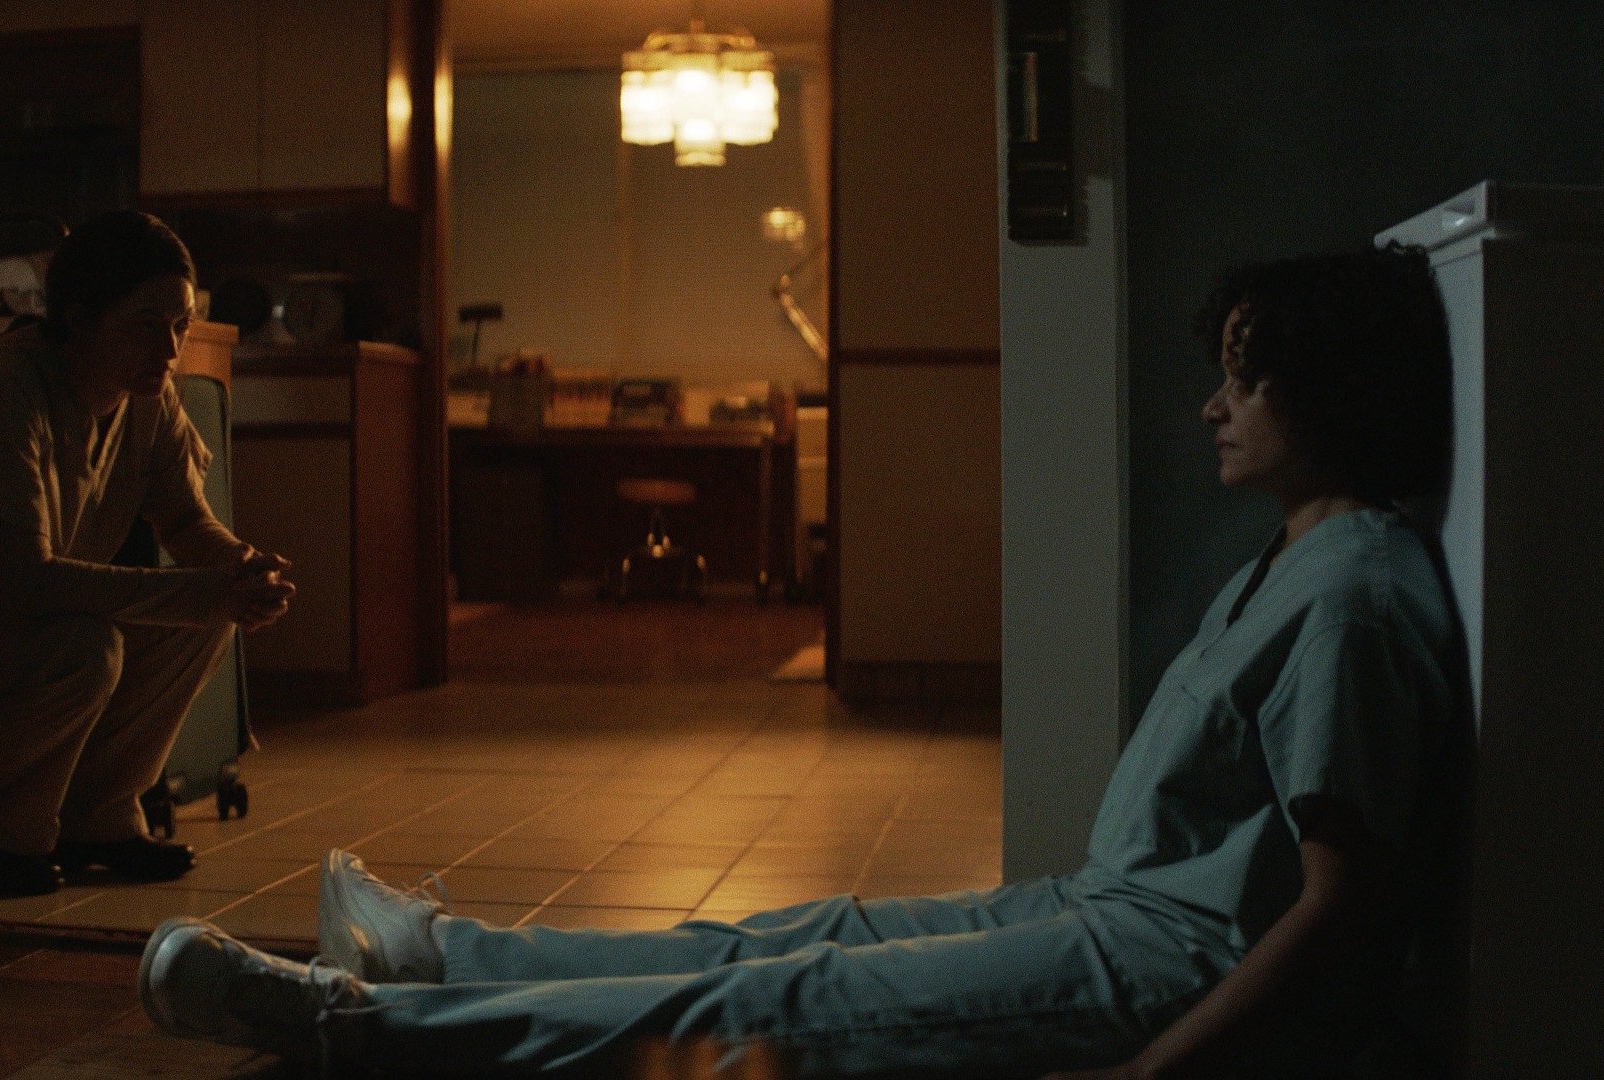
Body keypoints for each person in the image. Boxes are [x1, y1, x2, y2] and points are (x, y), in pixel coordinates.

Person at [134, 243, 1458, 1078]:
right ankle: (444, 958)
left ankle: (357, 1030)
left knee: (795, 1000)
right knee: (799, 930)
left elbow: (1342, 911)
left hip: (1163, 964)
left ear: (1332, 390)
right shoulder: (1297, 555)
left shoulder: (1353, 600)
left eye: (1246, 380)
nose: (1214, 406)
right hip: (1109, 905)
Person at [0, 211, 296, 897]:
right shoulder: (2, 391)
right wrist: (201, 590)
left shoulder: (147, 398)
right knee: (85, 646)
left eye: (180, 326)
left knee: (204, 615)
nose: (169, 349)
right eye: (145, 326)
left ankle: (98, 817)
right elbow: (19, 581)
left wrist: (240, 569)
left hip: (24, 638)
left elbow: (184, 519)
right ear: (81, 317)